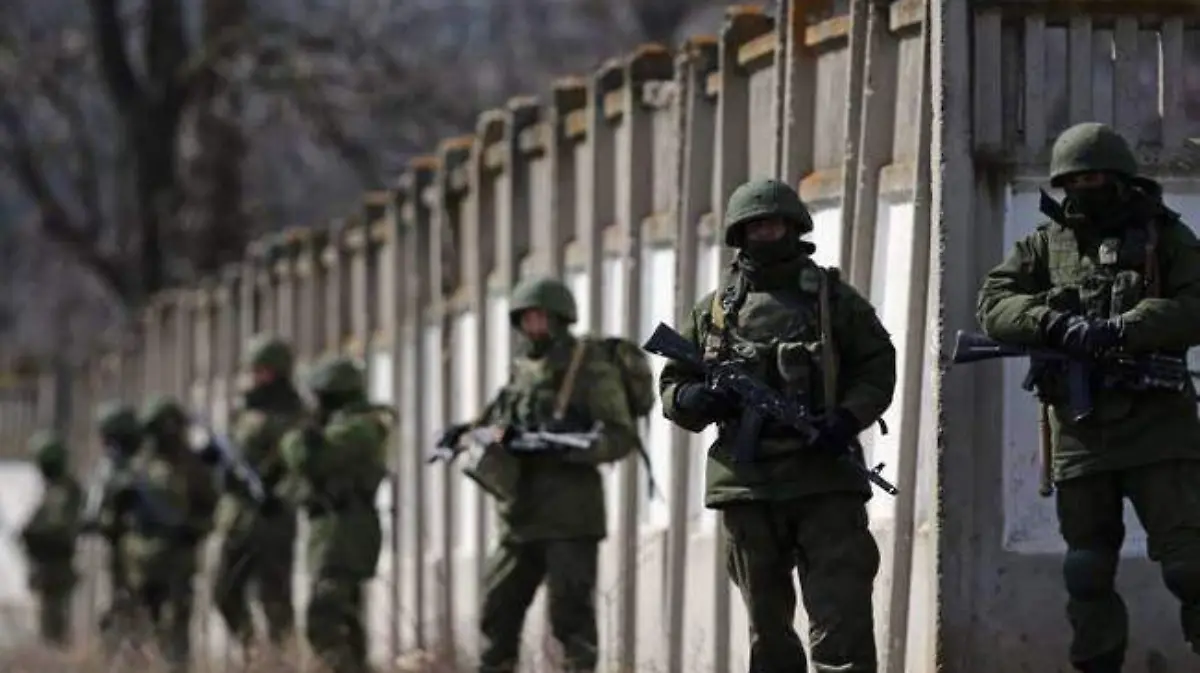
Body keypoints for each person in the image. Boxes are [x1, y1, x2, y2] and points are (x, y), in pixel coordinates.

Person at [976, 121, 1200, 673]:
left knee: (1190, 565)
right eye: (1076, 179)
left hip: (1159, 428)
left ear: (1122, 179)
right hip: (1081, 428)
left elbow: (1196, 305)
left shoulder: (1164, 237)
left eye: (1098, 176)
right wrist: (1053, 323)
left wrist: (1127, 327)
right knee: (1086, 570)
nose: (1087, 187)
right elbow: (994, 305)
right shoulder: (1043, 246)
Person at [658, 178, 897, 673]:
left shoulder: (831, 300)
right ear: (739, 236)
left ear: (795, 228)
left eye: (775, 225)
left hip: (824, 479)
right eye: (755, 227)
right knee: (767, 631)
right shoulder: (716, 310)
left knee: (841, 622)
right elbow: (673, 384)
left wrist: (847, 417)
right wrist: (694, 396)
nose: (766, 234)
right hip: (748, 487)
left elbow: (877, 365)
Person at [438, 276, 643, 673]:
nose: (533, 326)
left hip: (571, 517)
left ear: (560, 318)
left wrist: (570, 445)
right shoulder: (521, 370)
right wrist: (463, 434)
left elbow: (620, 436)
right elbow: (495, 423)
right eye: (526, 318)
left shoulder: (588, 368)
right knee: (496, 612)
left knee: (571, 621)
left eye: (541, 317)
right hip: (519, 517)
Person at [281, 356, 390, 673]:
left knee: (324, 618)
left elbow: (310, 460)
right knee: (346, 620)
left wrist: (300, 437)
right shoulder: (343, 425)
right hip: (333, 531)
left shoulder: (360, 427)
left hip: (346, 532)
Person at [212, 335, 306, 657]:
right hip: (237, 520)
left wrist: (278, 495)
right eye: (254, 371)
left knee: (275, 601)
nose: (256, 377)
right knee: (224, 592)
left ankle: (284, 661)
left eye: (263, 371)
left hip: (272, 522)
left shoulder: (295, 416)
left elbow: (301, 469)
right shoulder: (243, 413)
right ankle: (253, 651)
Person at [121, 397, 218, 672]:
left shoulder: (193, 467)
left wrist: (193, 530)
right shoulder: (139, 464)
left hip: (177, 559)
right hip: (142, 559)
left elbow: (209, 509)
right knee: (141, 626)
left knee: (175, 628)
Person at [83, 402, 145, 656]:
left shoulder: (121, 467)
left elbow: (95, 515)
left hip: (132, 549)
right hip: (125, 548)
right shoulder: (122, 466)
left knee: (128, 605)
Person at [19, 429, 83, 647]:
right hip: (46, 566)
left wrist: (33, 534)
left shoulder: (64, 490)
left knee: (53, 626)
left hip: (55, 566)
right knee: (47, 622)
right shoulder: (54, 488)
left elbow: (59, 528)